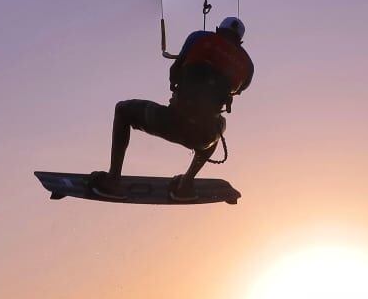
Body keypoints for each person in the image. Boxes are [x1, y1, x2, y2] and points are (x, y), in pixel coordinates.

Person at [91, 17, 254, 201]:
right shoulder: (248, 66)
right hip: (203, 136)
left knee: (123, 110)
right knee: (219, 124)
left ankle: (112, 180)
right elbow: (235, 91)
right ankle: (186, 184)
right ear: (240, 41)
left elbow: (174, 72)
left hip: (173, 121)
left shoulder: (199, 37)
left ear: (218, 29)